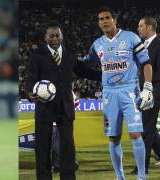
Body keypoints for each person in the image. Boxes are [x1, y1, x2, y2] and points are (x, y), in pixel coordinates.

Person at [83, 7, 154, 180]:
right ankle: (119, 177)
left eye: (107, 18)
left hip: (130, 90)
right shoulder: (97, 44)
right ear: (98, 23)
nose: (104, 21)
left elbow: (146, 63)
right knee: (113, 137)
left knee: (135, 134)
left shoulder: (131, 37)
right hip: (109, 94)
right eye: (101, 19)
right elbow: (85, 64)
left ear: (115, 20)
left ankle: (141, 177)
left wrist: (148, 87)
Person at [26, 20, 101, 180]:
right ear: (46, 37)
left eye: (57, 35)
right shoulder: (37, 54)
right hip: (44, 107)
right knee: (43, 148)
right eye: (51, 35)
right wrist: (30, 92)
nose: (54, 38)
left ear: (62, 37)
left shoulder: (69, 54)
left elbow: (83, 71)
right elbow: (31, 79)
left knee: (67, 148)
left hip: (65, 107)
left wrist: (104, 76)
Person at [130, 16, 160, 175]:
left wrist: (149, 90)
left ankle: (142, 167)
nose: (138, 28)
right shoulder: (142, 46)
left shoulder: (158, 45)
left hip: (153, 91)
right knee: (148, 129)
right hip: (141, 90)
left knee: (145, 129)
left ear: (149, 27)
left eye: (141, 26)